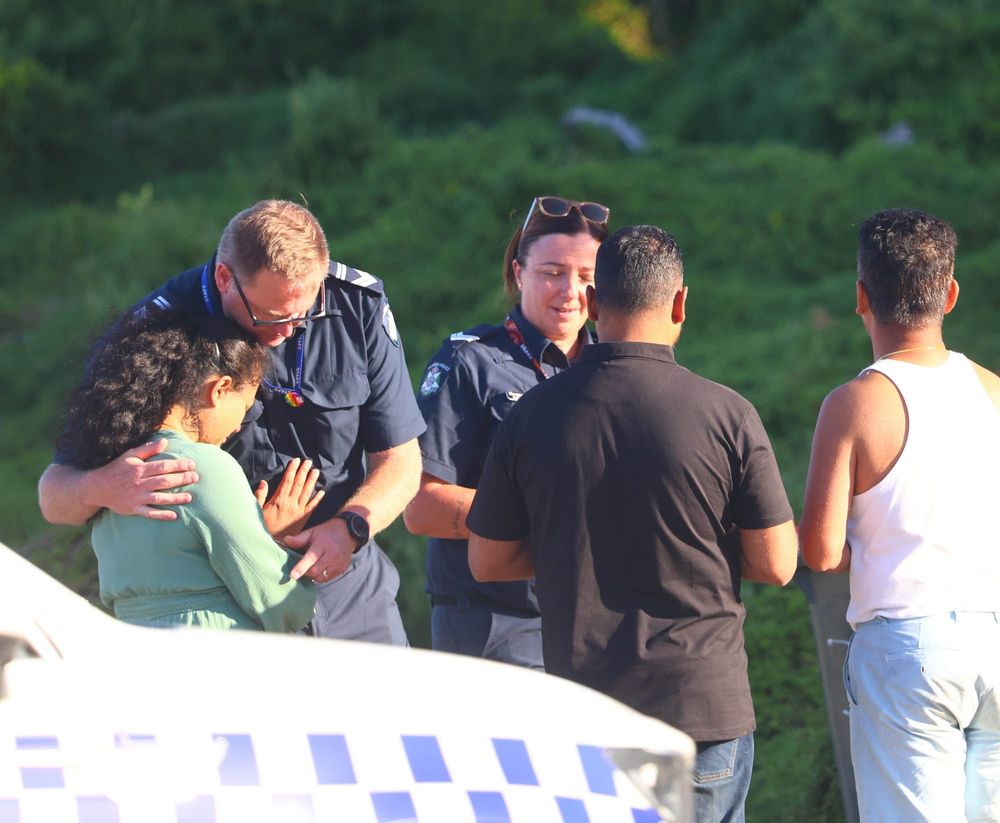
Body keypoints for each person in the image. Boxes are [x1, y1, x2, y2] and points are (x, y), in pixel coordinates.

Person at [467, 224, 798, 822]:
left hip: (587, 710)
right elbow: (777, 563)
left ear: (594, 306)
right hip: (702, 707)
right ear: (679, 304)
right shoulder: (728, 413)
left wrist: (571, 543)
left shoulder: (533, 413)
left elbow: (487, 559)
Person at [38, 200, 425, 644]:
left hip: (351, 585)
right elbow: (54, 495)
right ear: (225, 278)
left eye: (306, 313)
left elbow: (401, 460)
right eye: (272, 316)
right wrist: (103, 486)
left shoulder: (357, 304)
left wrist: (352, 528)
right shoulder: (154, 333)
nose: (289, 331)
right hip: (232, 610)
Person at [799, 208, 1000, 822]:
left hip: (907, 650)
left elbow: (821, 551)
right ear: (952, 293)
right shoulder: (992, 389)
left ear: (861, 296)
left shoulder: (855, 404)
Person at [403, 196, 609, 668]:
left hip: (597, 627)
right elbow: (421, 507)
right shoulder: (470, 363)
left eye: (585, 278)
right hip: (494, 627)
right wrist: (551, 521)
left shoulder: (613, 368)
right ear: (519, 273)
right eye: (552, 272)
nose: (570, 292)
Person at [56, 308, 316, 631]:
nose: (238, 426)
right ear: (219, 389)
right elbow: (282, 604)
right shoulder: (205, 469)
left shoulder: (115, 480)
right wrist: (273, 541)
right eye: (245, 407)